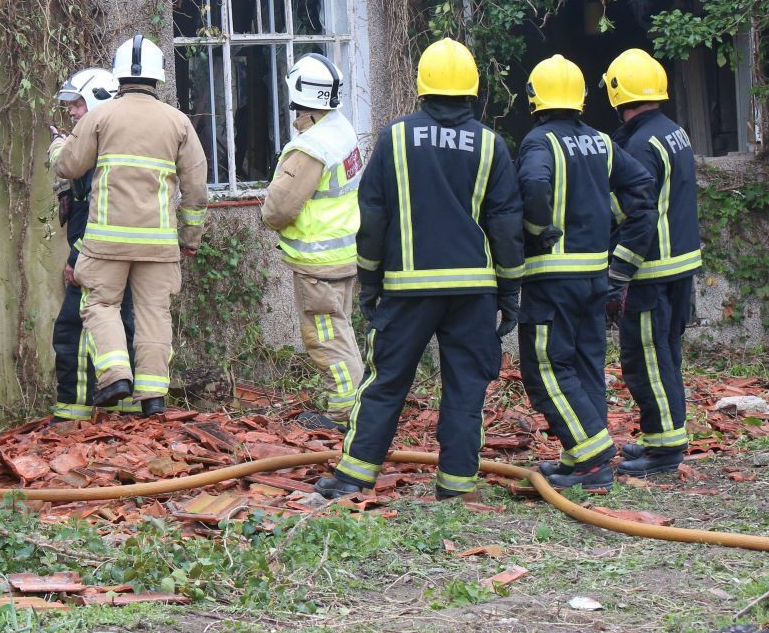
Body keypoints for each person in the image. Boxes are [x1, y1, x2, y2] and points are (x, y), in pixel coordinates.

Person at [313, 38, 525, 501]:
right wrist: (510, 291)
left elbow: (372, 216)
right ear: (472, 88)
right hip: (473, 291)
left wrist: (370, 282)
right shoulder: (490, 145)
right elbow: (506, 225)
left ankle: (353, 479)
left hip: (407, 290)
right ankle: (456, 486)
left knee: (385, 382)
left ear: (421, 87)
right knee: (466, 388)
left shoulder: (395, 137)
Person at [516, 55, 655, 492]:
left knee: (545, 369)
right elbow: (642, 188)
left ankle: (593, 459)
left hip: (551, 278)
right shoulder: (600, 141)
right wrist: (619, 251)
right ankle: (580, 461)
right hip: (596, 276)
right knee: (587, 366)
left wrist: (537, 231)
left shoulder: (538, 141)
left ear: (535, 97)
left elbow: (534, 185)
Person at [54, 36, 209, 418]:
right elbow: (197, 191)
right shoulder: (178, 122)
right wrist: (189, 239)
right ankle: (153, 397)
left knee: (101, 305)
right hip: (157, 245)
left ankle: (115, 376)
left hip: (107, 242)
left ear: (119, 74)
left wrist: (57, 148)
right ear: (159, 77)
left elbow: (69, 166)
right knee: (154, 313)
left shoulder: (100, 117)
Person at [601, 48, 703, 477]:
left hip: (650, 271)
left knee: (646, 359)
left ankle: (664, 450)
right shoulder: (672, 131)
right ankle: (662, 437)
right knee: (667, 355)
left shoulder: (640, 145)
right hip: (679, 266)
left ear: (616, 91)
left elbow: (637, 216)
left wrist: (617, 272)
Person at [259, 53, 365, 431]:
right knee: (340, 330)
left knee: (325, 337)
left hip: (318, 263)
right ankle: (357, 404)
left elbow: (278, 209)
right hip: (343, 255)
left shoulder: (311, 147)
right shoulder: (343, 130)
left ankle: (343, 413)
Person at [48, 67, 136, 420]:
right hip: (128, 253)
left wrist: (76, 257)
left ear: (99, 101)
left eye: (78, 103)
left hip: (96, 254)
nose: (71, 111)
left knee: (73, 328)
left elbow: (93, 213)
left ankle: (72, 412)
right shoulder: (120, 144)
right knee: (124, 321)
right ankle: (129, 411)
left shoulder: (93, 153)